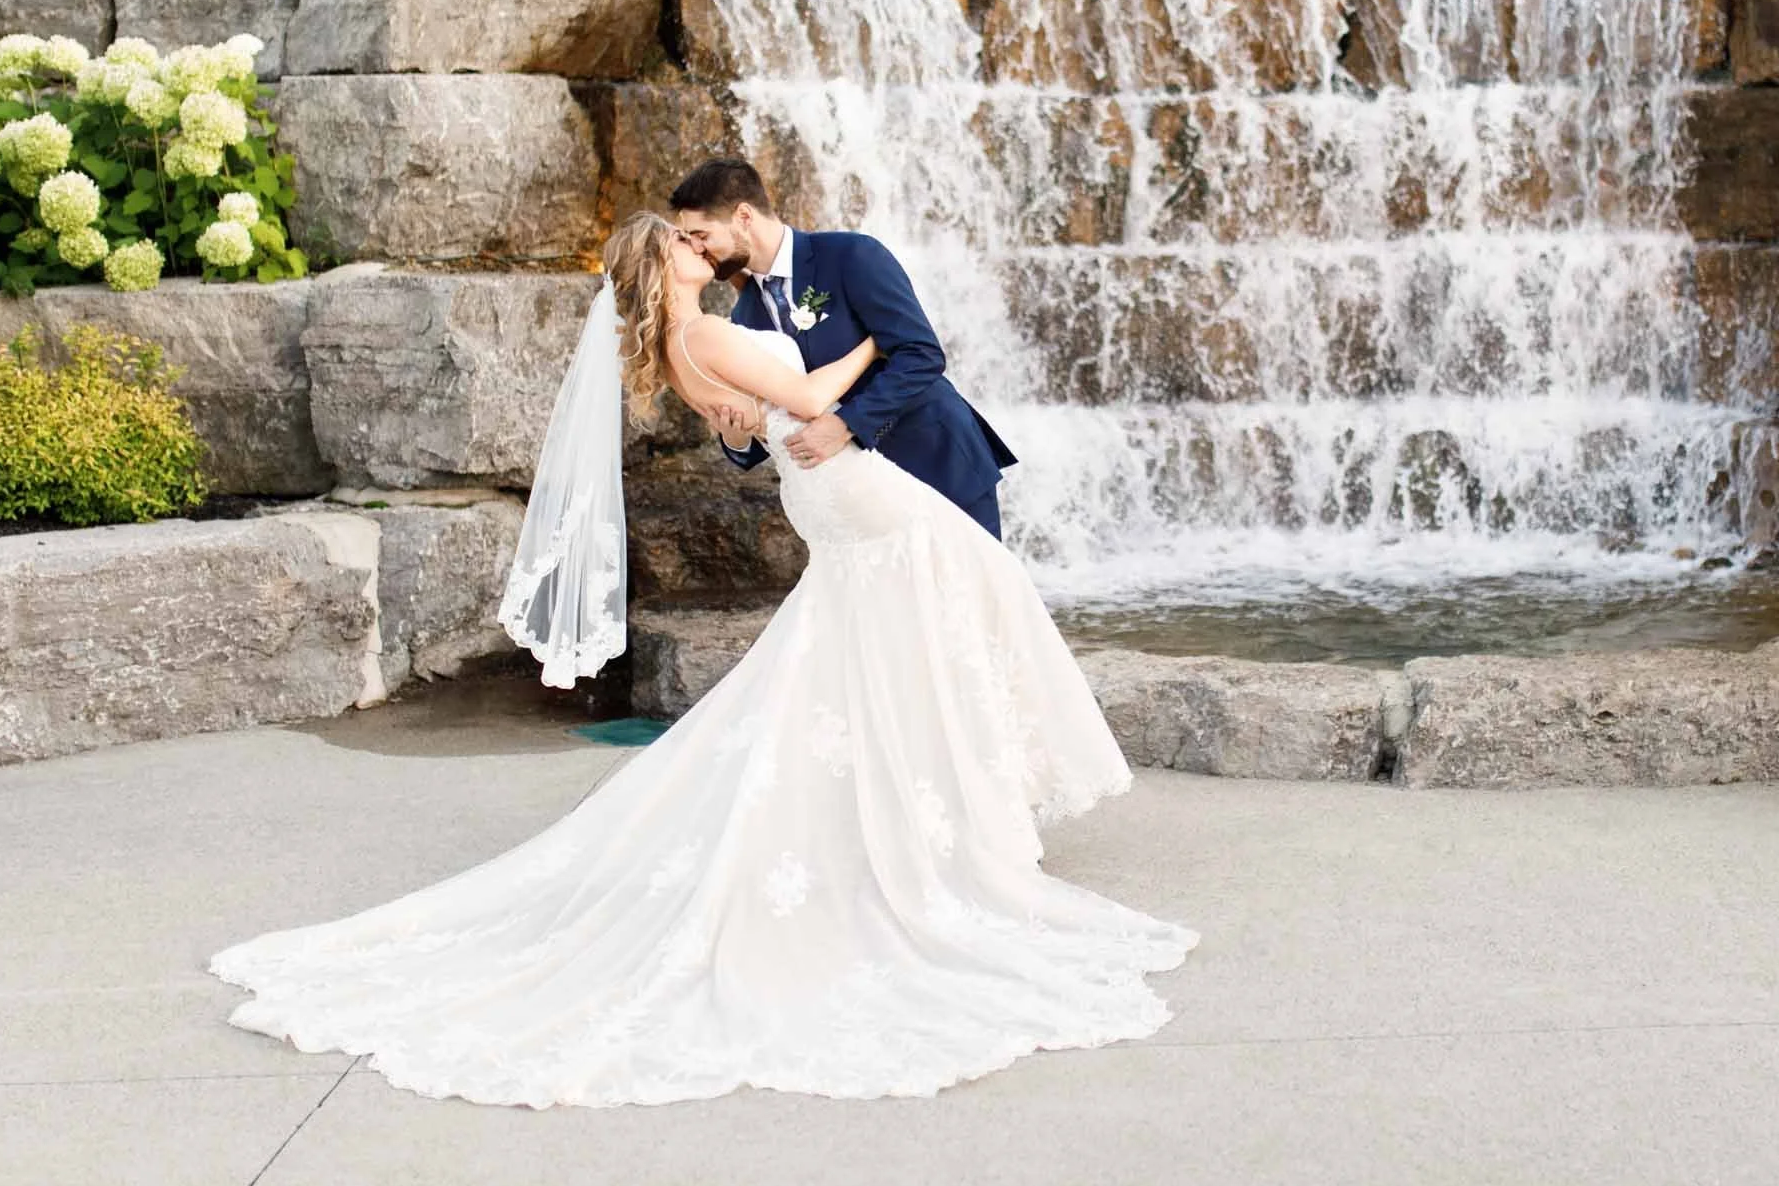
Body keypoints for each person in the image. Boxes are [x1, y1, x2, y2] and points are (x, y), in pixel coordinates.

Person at [206, 211, 1196, 1107]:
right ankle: (945, 819)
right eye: (684, 242)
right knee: (963, 598)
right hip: (849, 481)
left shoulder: (680, 347)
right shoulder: (708, 329)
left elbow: (752, 422)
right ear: (665, 263)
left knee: (887, 644)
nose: (702, 247)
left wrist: (774, 413)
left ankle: (939, 809)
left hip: (827, 491)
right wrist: (866, 351)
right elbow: (805, 392)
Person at [670, 159, 1016, 539]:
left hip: (938, 462)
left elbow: (921, 354)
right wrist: (735, 440)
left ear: (744, 216)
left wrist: (847, 424)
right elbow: (772, 427)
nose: (699, 248)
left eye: (702, 234)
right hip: (863, 502)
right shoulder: (744, 315)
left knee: (975, 597)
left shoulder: (851, 255)